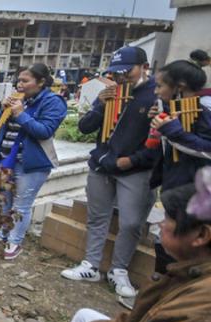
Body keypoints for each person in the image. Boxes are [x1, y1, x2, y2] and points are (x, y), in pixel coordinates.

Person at [6, 184, 211, 322]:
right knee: (84, 317)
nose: (161, 224)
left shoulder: (199, 317)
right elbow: (140, 320)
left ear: (201, 234)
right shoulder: (193, 273)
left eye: (169, 219)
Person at [60, 47, 158, 298]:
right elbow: (84, 127)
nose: (121, 77)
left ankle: (119, 270)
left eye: (127, 71)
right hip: (102, 164)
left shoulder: (157, 93)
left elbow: (160, 142)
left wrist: (132, 160)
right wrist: (100, 106)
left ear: (144, 67)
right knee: (97, 217)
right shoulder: (110, 92)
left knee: (131, 223)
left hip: (135, 169)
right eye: (116, 73)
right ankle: (91, 265)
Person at [0, 63, 68, 260]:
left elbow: (45, 131)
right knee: (5, 200)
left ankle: (15, 241)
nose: (20, 84)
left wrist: (21, 114)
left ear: (41, 82)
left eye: (25, 80)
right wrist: (4, 110)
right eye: (19, 80)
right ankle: (1, 234)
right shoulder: (19, 100)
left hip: (30, 163)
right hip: (7, 159)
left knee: (21, 205)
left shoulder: (53, 102)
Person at [149, 60, 211, 272]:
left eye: (160, 86)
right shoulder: (172, 109)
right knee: (164, 240)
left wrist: (172, 131)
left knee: (181, 246)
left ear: (180, 87)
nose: (156, 91)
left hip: (195, 194)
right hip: (174, 185)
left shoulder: (206, 110)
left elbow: (207, 149)